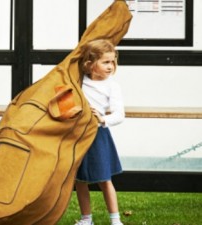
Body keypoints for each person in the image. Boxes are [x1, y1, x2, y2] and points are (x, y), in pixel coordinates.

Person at [74, 39, 125, 225]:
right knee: (80, 180)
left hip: (98, 135)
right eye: (105, 62)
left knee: (104, 179)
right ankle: (86, 219)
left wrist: (103, 119)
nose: (111, 66)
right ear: (89, 64)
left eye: (112, 61)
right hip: (78, 136)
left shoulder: (112, 86)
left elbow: (119, 114)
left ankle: (115, 220)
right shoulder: (79, 81)